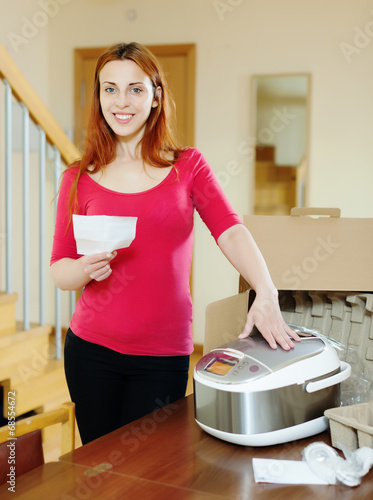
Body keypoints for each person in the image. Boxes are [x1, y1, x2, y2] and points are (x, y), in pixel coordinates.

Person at [50, 42, 300, 445]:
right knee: (101, 469)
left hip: (162, 355)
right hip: (91, 351)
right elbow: (59, 268)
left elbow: (230, 230)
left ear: (155, 95)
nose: (121, 101)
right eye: (109, 89)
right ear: (98, 97)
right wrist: (82, 270)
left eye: (135, 88)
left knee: (152, 471)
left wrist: (266, 291)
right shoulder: (78, 177)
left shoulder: (187, 166)